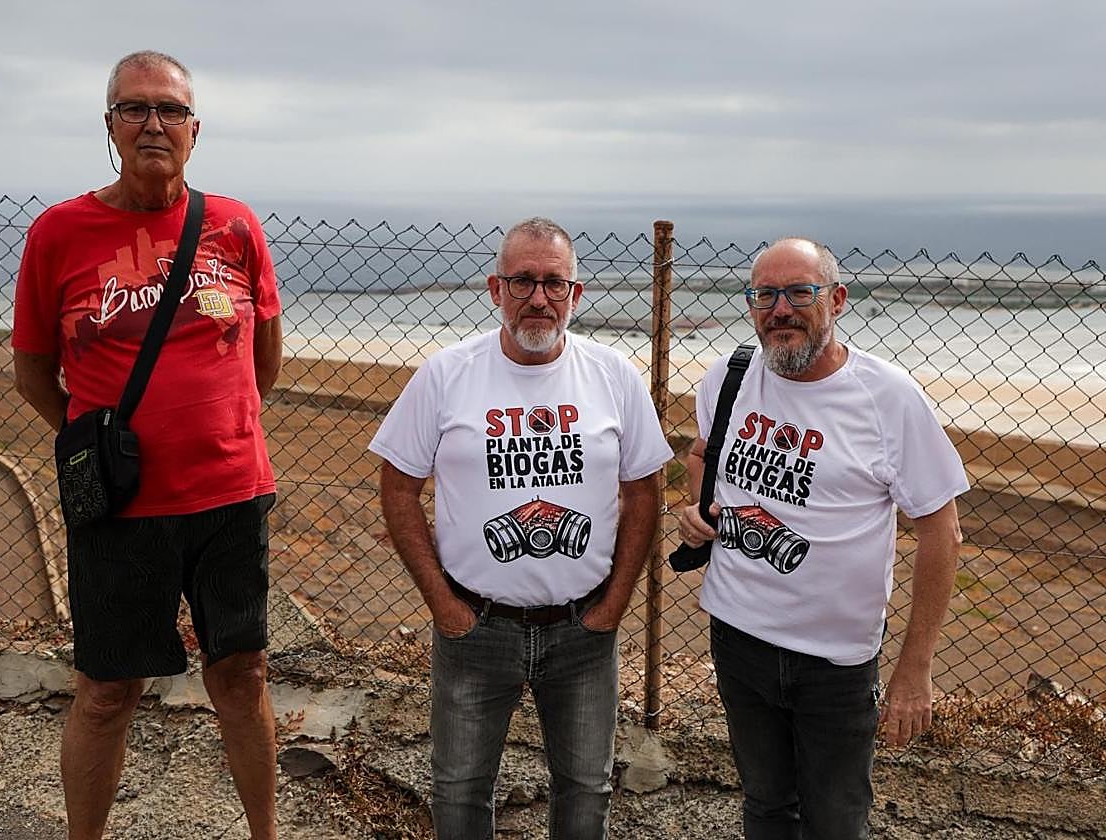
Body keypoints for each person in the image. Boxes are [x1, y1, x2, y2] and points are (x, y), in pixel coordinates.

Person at [11, 51, 282, 840]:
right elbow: (33, 370)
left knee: (242, 675)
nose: (152, 124)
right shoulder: (60, 231)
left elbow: (265, 361)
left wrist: (217, 426)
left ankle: (266, 834)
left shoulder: (235, 226)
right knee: (106, 691)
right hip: (120, 506)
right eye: (135, 109)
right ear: (110, 128)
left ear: (195, 131)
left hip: (231, 497)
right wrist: (95, 441)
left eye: (169, 110)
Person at [371, 217, 673, 839]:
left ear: (576, 294)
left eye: (554, 284)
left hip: (584, 631)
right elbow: (398, 487)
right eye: (523, 281)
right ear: (495, 289)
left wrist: (615, 602)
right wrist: (442, 605)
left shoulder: (613, 375)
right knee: (457, 791)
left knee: (587, 791)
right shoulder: (446, 374)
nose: (539, 298)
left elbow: (646, 489)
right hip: (474, 629)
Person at [678, 237, 967, 839]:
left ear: (835, 299)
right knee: (765, 806)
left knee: (836, 821)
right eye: (765, 295)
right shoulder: (728, 378)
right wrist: (696, 507)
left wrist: (914, 668)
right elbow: (703, 452)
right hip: (737, 636)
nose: (780, 309)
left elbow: (942, 530)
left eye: (799, 292)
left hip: (836, 658)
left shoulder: (888, 398)